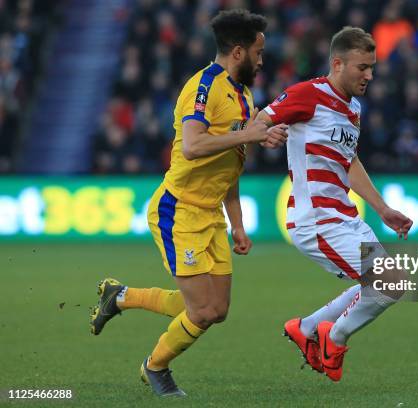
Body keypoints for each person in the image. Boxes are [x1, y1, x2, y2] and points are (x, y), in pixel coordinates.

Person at [89, 9, 288, 396]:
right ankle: (155, 367)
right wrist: (250, 133)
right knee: (202, 311)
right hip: (177, 210)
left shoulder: (243, 95)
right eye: (258, 53)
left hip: (212, 215)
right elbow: (195, 146)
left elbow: (229, 168)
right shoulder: (202, 87)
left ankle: (122, 296)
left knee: (218, 310)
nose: (262, 61)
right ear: (237, 51)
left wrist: (239, 224)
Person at [257, 26, 413, 382]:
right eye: (362, 67)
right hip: (316, 220)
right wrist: (266, 132)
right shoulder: (307, 94)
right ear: (338, 63)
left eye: (372, 67)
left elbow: (349, 161)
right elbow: (260, 119)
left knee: (384, 281)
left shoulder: (353, 108)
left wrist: (383, 209)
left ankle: (309, 328)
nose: (369, 75)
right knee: (390, 283)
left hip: (344, 216)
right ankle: (335, 335)